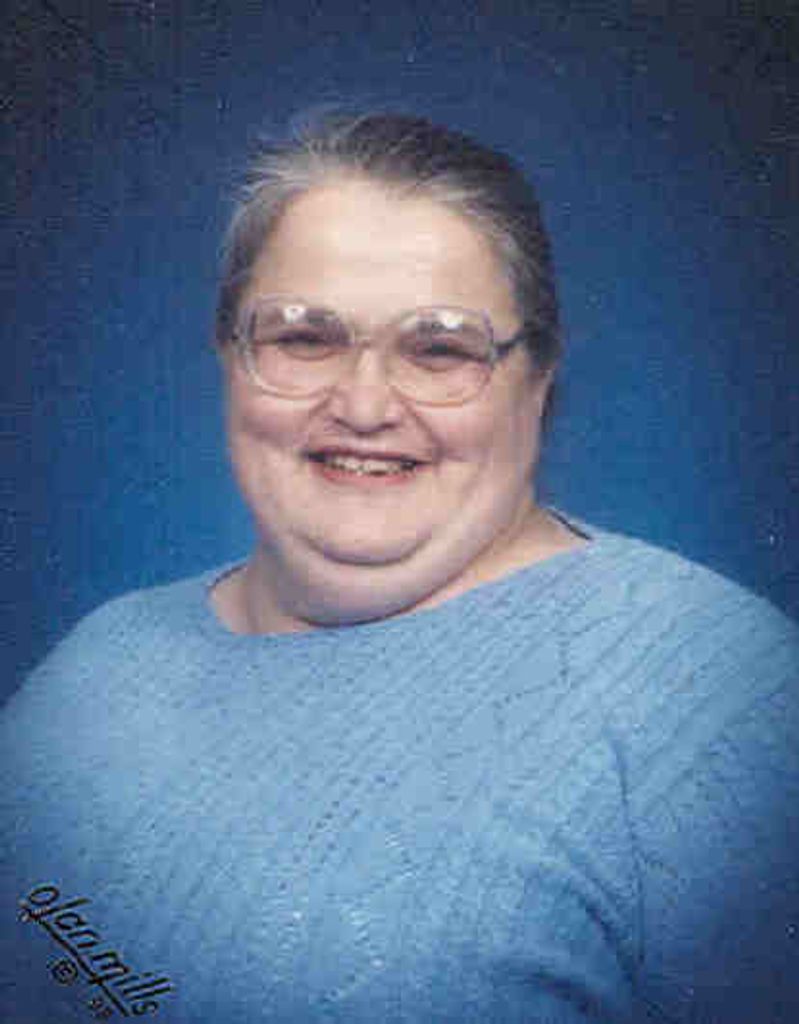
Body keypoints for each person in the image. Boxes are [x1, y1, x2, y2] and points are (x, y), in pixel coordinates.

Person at [2, 112, 797, 1024]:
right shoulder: (97, 661)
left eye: (440, 348)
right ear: (230, 354)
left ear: (537, 380)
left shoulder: (720, 702)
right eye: (304, 337)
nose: (364, 404)